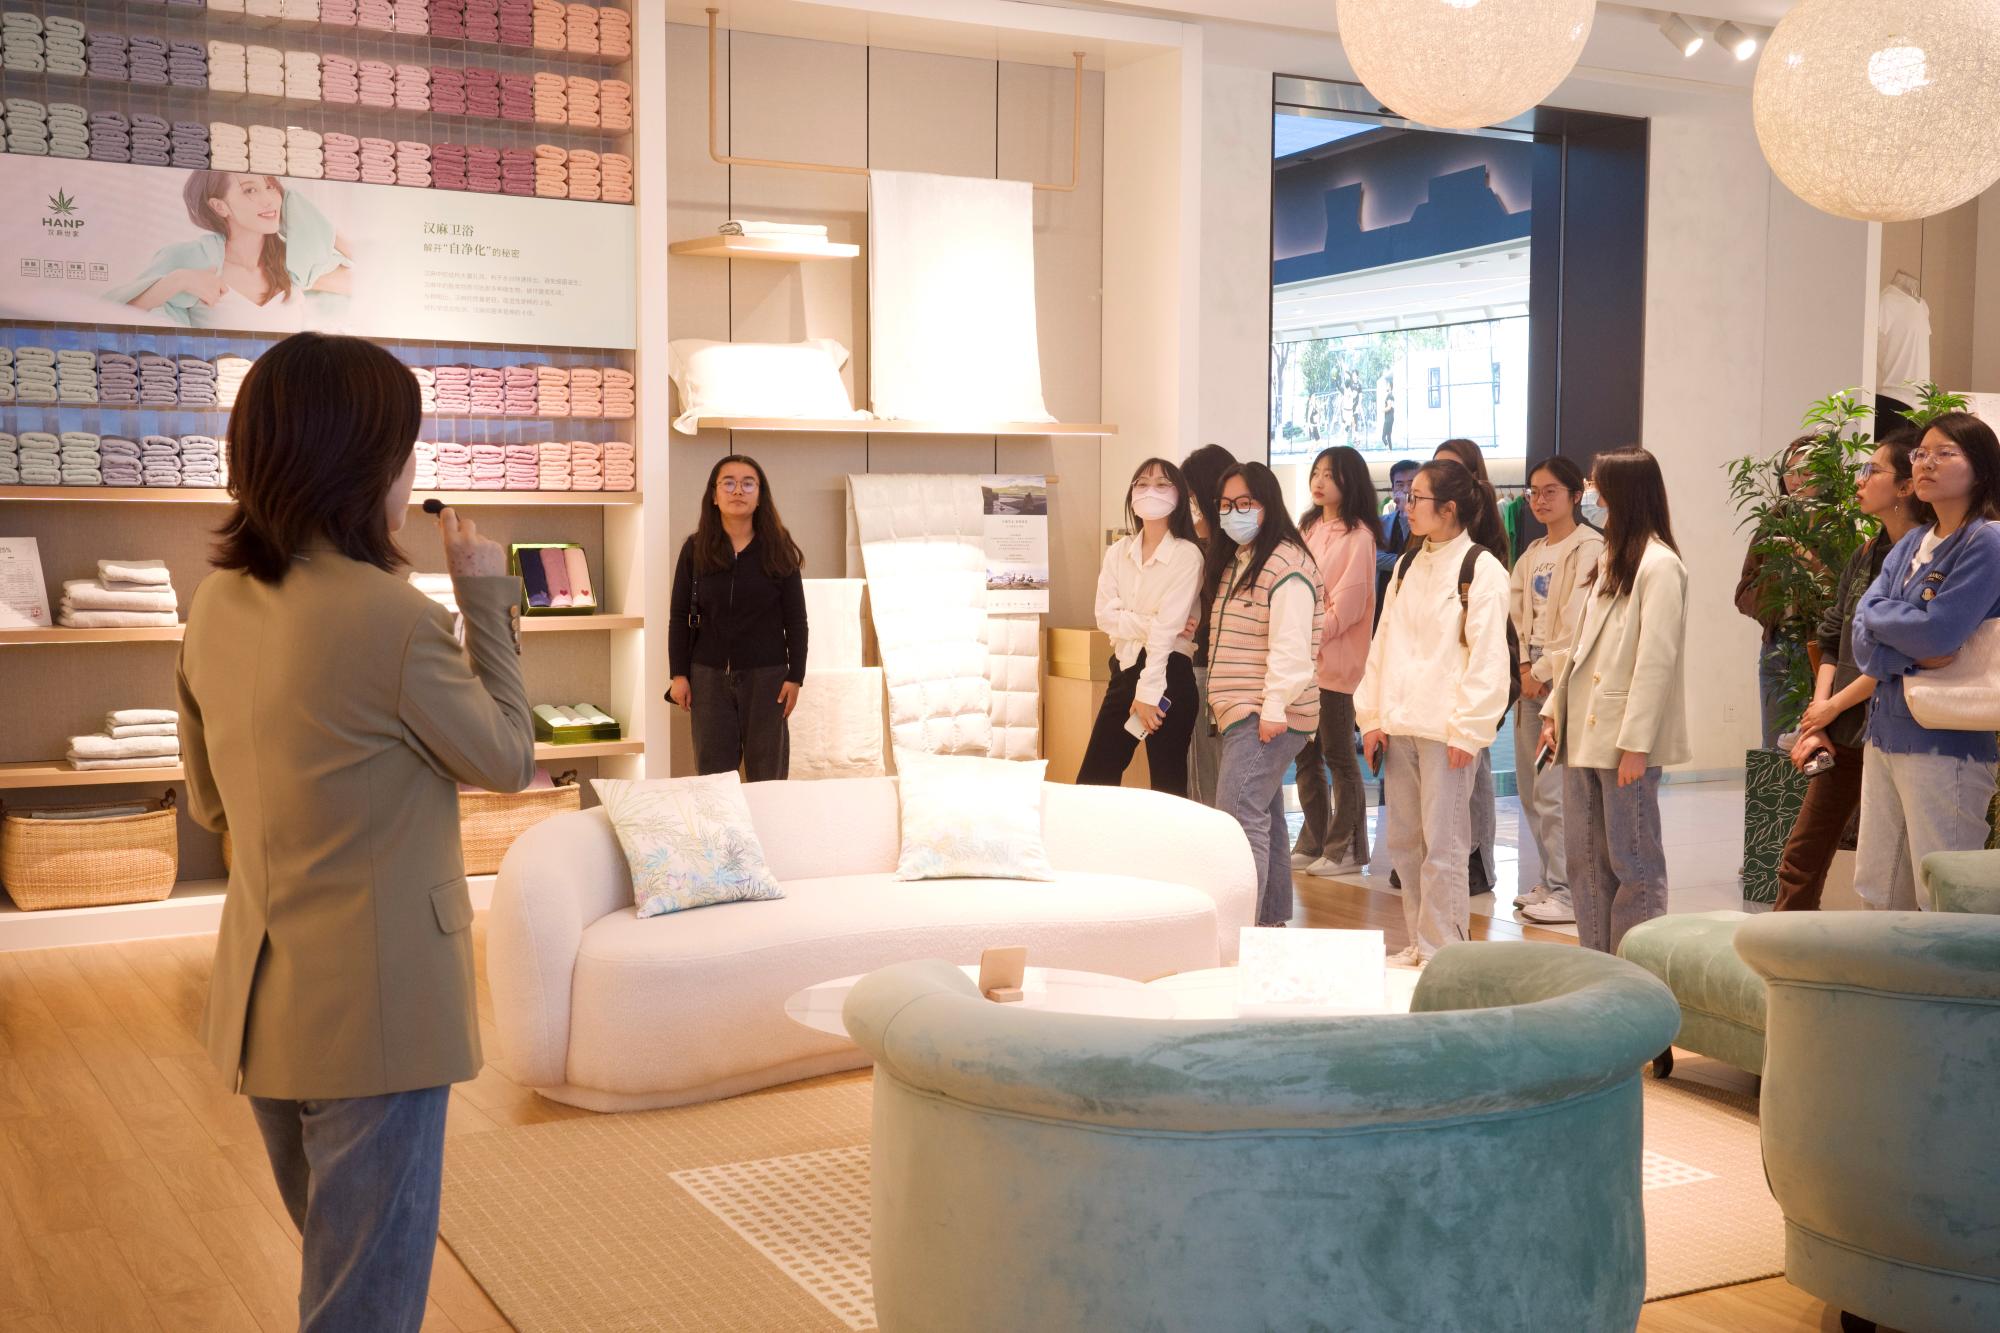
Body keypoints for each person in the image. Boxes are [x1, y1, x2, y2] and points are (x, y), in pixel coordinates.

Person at [175, 332, 536, 1333]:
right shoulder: (396, 618)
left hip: (264, 1002)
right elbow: (510, 756)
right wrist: (484, 596)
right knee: (365, 1302)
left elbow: (211, 805)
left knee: (337, 1279)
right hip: (382, 1015)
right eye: (403, 448)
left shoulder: (215, 603)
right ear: (365, 463)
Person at [1357, 459, 1511, 964]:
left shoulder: (1481, 568)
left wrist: (1469, 730)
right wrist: (1371, 717)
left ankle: (1444, 952)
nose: (1405, 505)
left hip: (1447, 731)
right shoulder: (1405, 565)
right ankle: (1418, 943)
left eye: (1417, 497)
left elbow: (1489, 656)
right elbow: (1383, 644)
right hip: (1400, 724)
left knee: (1444, 847)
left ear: (1448, 509)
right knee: (1405, 844)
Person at [1540, 447, 1689, 955]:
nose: (1592, 491)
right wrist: (1553, 713)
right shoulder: (1611, 556)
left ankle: (1634, 972)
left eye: (1596, 483)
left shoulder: (1661, 565)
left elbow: (1656, 661)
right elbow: (1580, 646)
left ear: (1622, 491)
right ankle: (1596, 963)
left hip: (1623, 735)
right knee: (1584, 860)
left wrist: (1637, 744)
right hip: (1583, 728)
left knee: (1634, 861)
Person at [1774, 427, 1929, 911]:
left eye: (1872, 470)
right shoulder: (1865, 553)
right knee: (1801, 857)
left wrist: (1831, 707)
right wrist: (1820, 713)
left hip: (1893, 727)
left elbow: (1898, 653)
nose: (1860, 480)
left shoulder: (1927, 557)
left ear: (1905, 487)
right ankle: (1785, 948)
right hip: (1841, 726)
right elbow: (1831, 635)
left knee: (1896, 868)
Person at [1851, 411, 2000, 911]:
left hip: (1947, 743)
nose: (1926, 463)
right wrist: (1903, 643)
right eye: (1921, 454)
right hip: (1884, 733)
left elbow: (1940, 632)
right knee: (1878, 891)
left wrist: (1882, 622)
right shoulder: (1912, 541)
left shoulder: (1987, 542)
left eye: (1944, 453)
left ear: (1980, 468)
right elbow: (1860, 636)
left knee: (1945, 897)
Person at [1202, 461, 1322, 927]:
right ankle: (1268, 926)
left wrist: (1273, 708)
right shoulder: (1244, 559)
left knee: (1237, 818)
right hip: (1244, 710)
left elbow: (1292, 648)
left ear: (1267, 504)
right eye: (1225, 505)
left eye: (1244, 503)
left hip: (1265, 714)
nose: (1233, 513)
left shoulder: (1285, 564)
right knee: (1263, 817)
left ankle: (1239, 929)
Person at [668, 455, 809, 782]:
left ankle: (770, 821)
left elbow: (796, 619)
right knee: (714, 781)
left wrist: (796, 676)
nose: (737, 491)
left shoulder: (778, 548)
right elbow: (678, 615)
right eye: (728, 483)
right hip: (708, 677)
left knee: (768, 778)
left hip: (768, 678)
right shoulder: (696, 549)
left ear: (760, 495)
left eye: (748, 484)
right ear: (714, 495)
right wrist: (678, 674)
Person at [1510, 457, 1605, 924]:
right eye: (1534, 491)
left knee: (1555, 791)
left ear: (1575, 495)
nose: (1540, 500)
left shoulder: (1589, 547)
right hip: (1531, 677)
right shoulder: (1531, 552)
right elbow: (1517, 617)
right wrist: (1525, 666)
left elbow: (1576, 622)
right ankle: (1551, 881)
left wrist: (1544, 670)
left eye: (1550, 491)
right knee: (1531, 789)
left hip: (1562, 681)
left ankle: (1570, 893)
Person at [1077, 458, 1205, 796]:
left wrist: (1149, 694)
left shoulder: (1187, 555)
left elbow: (1164, 635)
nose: (1151, 491)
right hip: (1126, 670)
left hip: (1168, 678)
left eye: (1162, 484)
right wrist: (1154, 622)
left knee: (1166, 786)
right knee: (1095, 778)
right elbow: (1105, 616)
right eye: (1142, 484)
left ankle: (1168, 838)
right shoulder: (1119, 552)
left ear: (1179, 496)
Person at [1289, 446, 1382, 876]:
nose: (1319, 481)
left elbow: (1348, 605)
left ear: (1350, 481)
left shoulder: (1359, 536)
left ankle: (1346, 848)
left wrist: (1305, 634)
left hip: (1336, 665)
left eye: (1330, 474)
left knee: (1339, 756)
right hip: (1301, 664)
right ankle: (1314, 839)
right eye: (1317, 472)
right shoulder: (1306, 527)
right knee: (1305, 757)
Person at [112, 171, 353, 329]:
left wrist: (311, 221)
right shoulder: (189, 259)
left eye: (271, 187)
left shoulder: (295, 265)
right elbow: (114, 315)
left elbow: (367, 281)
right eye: (250, 190)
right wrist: (179, 280)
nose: (269, 200)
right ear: (220, 206)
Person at [1433, 437, 1509, 895]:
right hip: (1435, 670)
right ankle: (1440, 855)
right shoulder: (1424, 528)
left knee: (1474, 767)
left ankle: (1478, 858)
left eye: (1453, 468)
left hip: (1475, 660)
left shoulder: (1483, 531)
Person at [1735, 436, 1816, 749]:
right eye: (1789, 471)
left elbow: (1845, 590)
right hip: (1777, 643)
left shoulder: (1839, 524)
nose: (1796, 480)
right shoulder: (1775, 520)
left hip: (1821, 646)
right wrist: (1774, 602)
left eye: (1806, 472)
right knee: (1775, 749)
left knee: (1816, 752)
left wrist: (1810, 563)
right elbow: (1744, 590)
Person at [1180, 442, 1238, 805]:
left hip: (1212, 669)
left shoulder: (1228, 547)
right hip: (1200, 664)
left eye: (1191, 495)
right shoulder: (1199, 541)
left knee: (1213, 777)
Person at [1374, 457, 1419, 615]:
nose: (1406, 490)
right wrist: (1406, 561)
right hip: (1383, 596)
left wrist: (1408, 515)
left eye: (1411, 483)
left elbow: (1418, 558)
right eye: (1400, 484)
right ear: (1393, 489)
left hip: (1415, 598)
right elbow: (1374, 558)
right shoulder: (1381, 523)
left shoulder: (1428, 524)